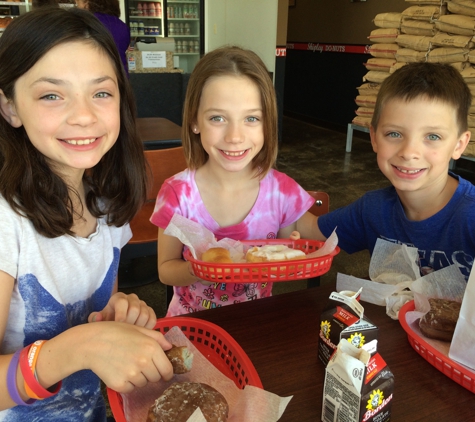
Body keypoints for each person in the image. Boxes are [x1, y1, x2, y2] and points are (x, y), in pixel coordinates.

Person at [0, 7, 173, 420]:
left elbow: (102, 308)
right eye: (51, 95)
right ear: (10, 108)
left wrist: (120, 313)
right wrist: (81, 346)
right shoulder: (6, 222)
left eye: (101, 92)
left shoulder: (106, 203)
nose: (83, 115)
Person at [151, 46, 318, 316]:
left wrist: (289, 252)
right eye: (218, 118)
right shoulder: (177, 194)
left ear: (267, 124)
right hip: (191, 324)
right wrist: (199, 270)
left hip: (256, 324)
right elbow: (165, 270)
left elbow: (292, 250)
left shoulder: (281, 191)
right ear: (195, 121)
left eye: (251, 118)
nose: (235, 137)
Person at [314, 62, 475, 281]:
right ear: (374, 138)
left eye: (433, 137)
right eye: (394, 134)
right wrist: (266, 188)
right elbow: (309, 230)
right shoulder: (373, 209)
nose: (409, 152)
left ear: (458, 145)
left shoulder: (470, 217)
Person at [76, 0, 130, 76]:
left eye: (78, 3)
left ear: (87, 3)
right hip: (120, 77)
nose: (77, 7)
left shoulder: (85, 23)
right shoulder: (123, 26)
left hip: (95, 76)